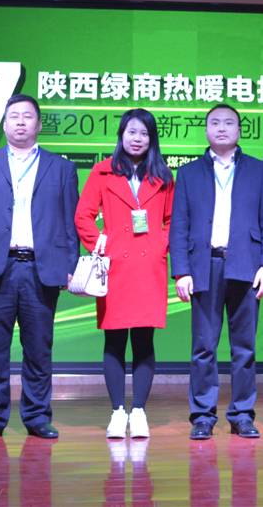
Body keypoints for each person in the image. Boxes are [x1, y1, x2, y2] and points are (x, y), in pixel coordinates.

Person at [0, 94, 80, 441]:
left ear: (39, 124)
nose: (21, 122)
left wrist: (70, 264)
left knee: (39, 348)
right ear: (4, 125)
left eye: (28, 116)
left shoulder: (61, 168)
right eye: (14, 116)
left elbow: (70, 222)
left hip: (42, 267)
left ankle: (37, 415)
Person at [170, 104, 263, 440]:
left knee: (245, 348)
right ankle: (203, 416)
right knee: (204, 346)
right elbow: (179, 225)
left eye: (229, 122)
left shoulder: (259, 170)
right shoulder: (188, 173)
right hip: (204, 266)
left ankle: (242, 415)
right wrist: (181, 271)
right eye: (214, 122)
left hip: (247, 265)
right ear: (205, 131)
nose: (221, 128)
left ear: (239, 131)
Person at [76, 108, 174, 439]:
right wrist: (101, 244)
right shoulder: (103, 171)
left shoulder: (163, 175)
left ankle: (140, 411)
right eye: (131, 132)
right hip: (114, 266)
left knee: (144, 339)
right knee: (114, 339)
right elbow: (83, 216)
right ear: (121, 135)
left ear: (152, 138)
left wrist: (160, 244)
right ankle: (118, 411)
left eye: (144, 133)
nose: (137, 138)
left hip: (149, 266)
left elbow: (173, 219)